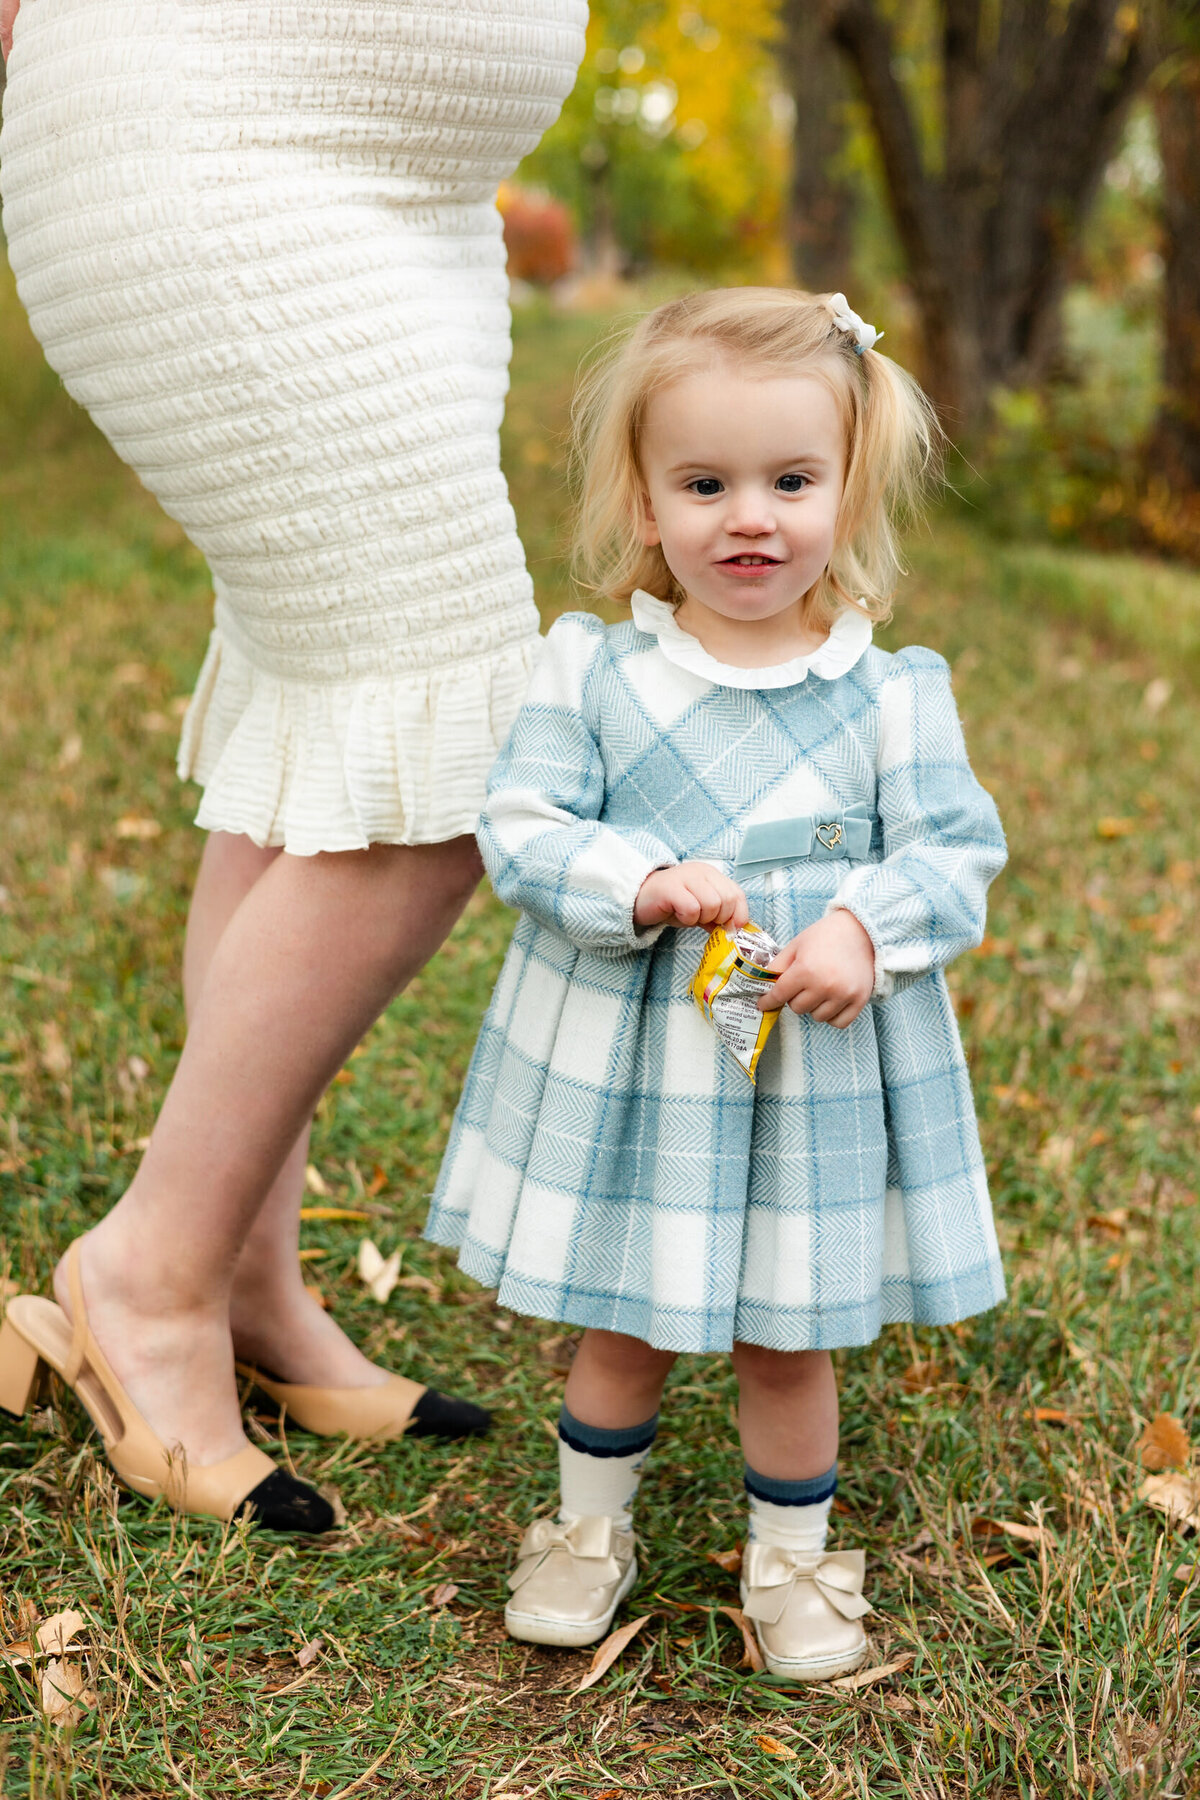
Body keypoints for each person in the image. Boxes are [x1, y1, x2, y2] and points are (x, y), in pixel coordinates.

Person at [0, 1, 587, 1530]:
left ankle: (251, 1280)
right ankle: (146, 1279)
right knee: (448, 743)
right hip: (225, 122)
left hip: (419, 178)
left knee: (322, 702)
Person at [425, 287, 1008, 1681]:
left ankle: (794, 1558)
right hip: (643, 1070)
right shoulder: (598, 673)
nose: (750, 517)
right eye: (706, 482)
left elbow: (955, 846)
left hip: (810, 1070)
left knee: (786, 1335)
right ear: (643, 497)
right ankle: (584, 1529)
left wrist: (866, 930)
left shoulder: (890, 693)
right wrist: (638, 882)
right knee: (623, 1315)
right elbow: (525, 825)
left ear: (847, 487)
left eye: (790, 481)